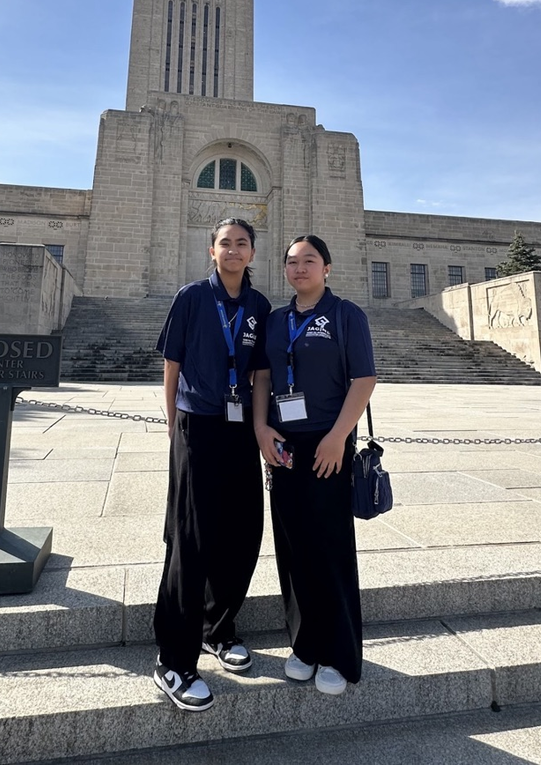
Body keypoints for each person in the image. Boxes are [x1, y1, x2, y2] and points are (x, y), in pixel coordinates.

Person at [152, 218, 271, 711]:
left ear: (252, 253)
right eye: (226, 243)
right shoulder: (192, 297)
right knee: (192, 536)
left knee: (242, 532)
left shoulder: (259, 305)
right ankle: (172, 662)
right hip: (197, 424)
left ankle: (217, 629)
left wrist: (261, 427)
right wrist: (171, 421)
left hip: (241, 426)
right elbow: (172, 364)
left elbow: (261, 372)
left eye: (242, 243)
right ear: (212, 250)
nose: (234, 250)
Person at [252, 235, 376, 696]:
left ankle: (337, 652)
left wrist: (338, 438)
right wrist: (261, 429)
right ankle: (303, 645)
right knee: (293, 547)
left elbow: (363, 380)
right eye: (291, 261)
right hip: (284, 445)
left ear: (327, 268)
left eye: (309, 260)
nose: (299, 268)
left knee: (330, 547)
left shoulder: (346, 315)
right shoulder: (277, 320)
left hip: (330, 443)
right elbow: (263, 376)